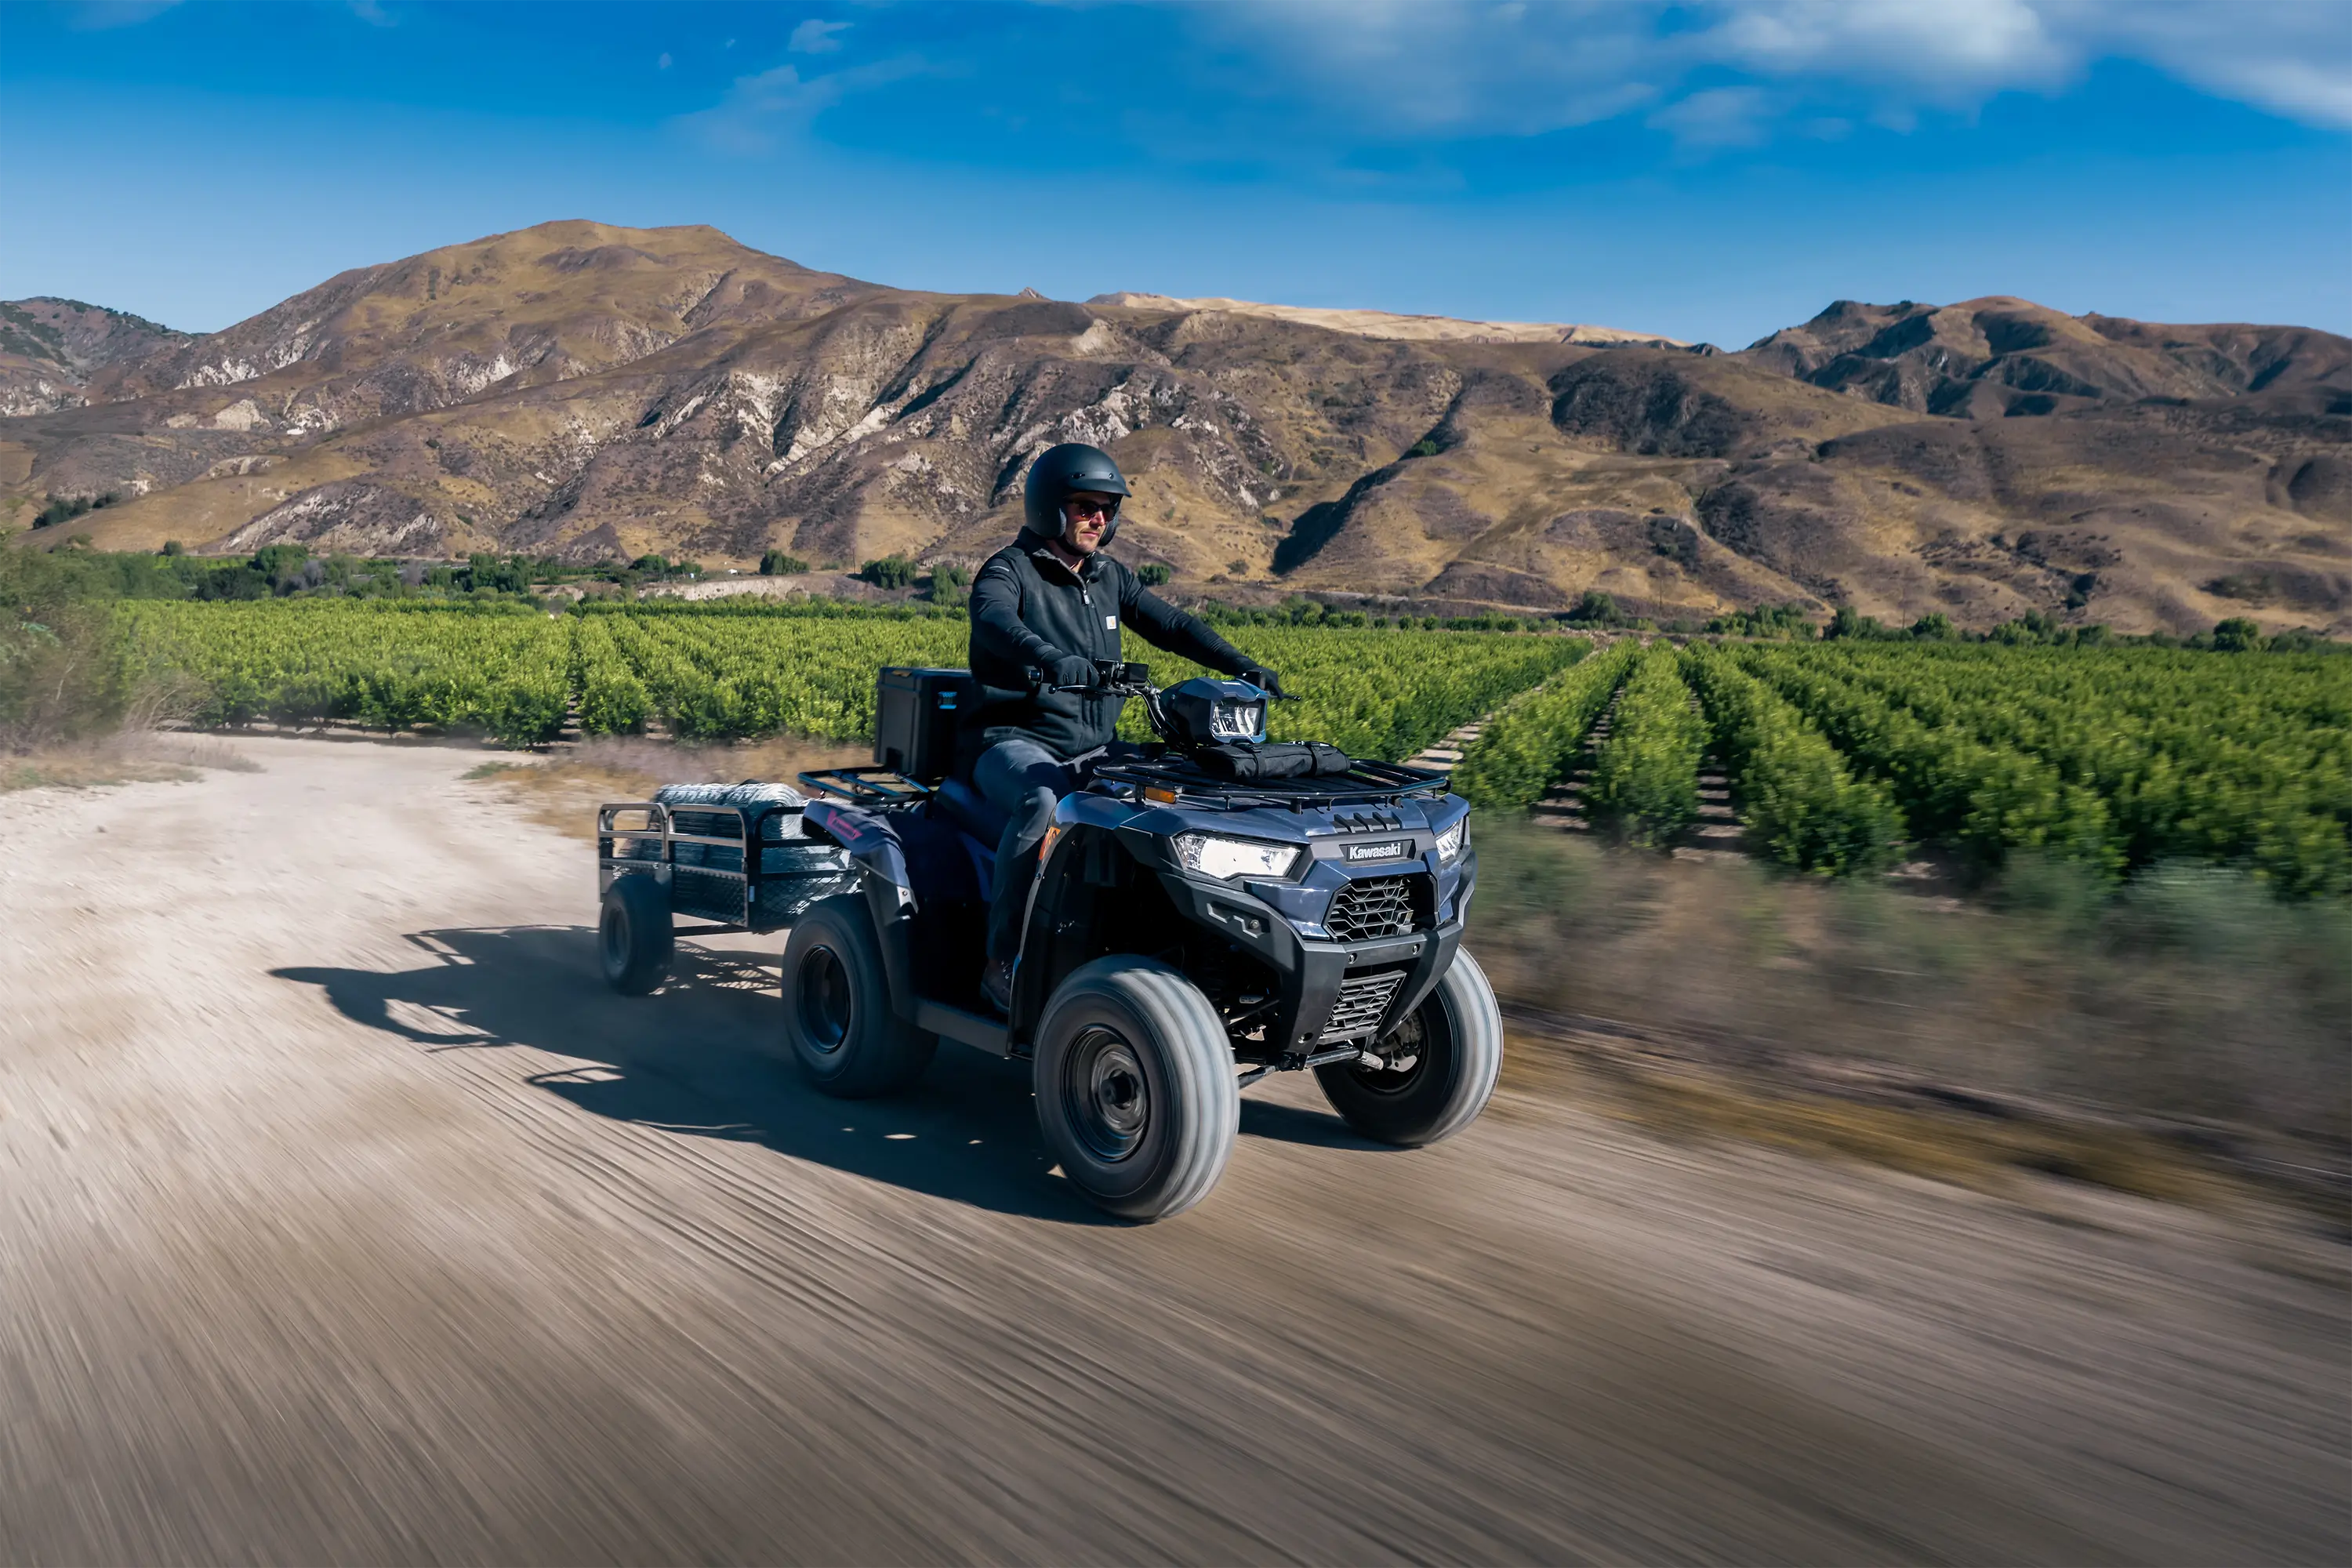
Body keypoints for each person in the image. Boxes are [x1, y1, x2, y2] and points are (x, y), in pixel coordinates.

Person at [964, 441, 1280, 1012]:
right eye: (1086, 506)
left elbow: (1174, 626)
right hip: (1012, 742)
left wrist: (1239, 664)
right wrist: (1049, 658)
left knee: (1183, 795)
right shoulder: (1008, 570)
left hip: (1098, 749)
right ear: (1050, 508)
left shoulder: (1109, 575)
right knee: (1041, 804)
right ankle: (999, 963)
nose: (1099, 519)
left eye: (1108, 509)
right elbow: (993, 620)